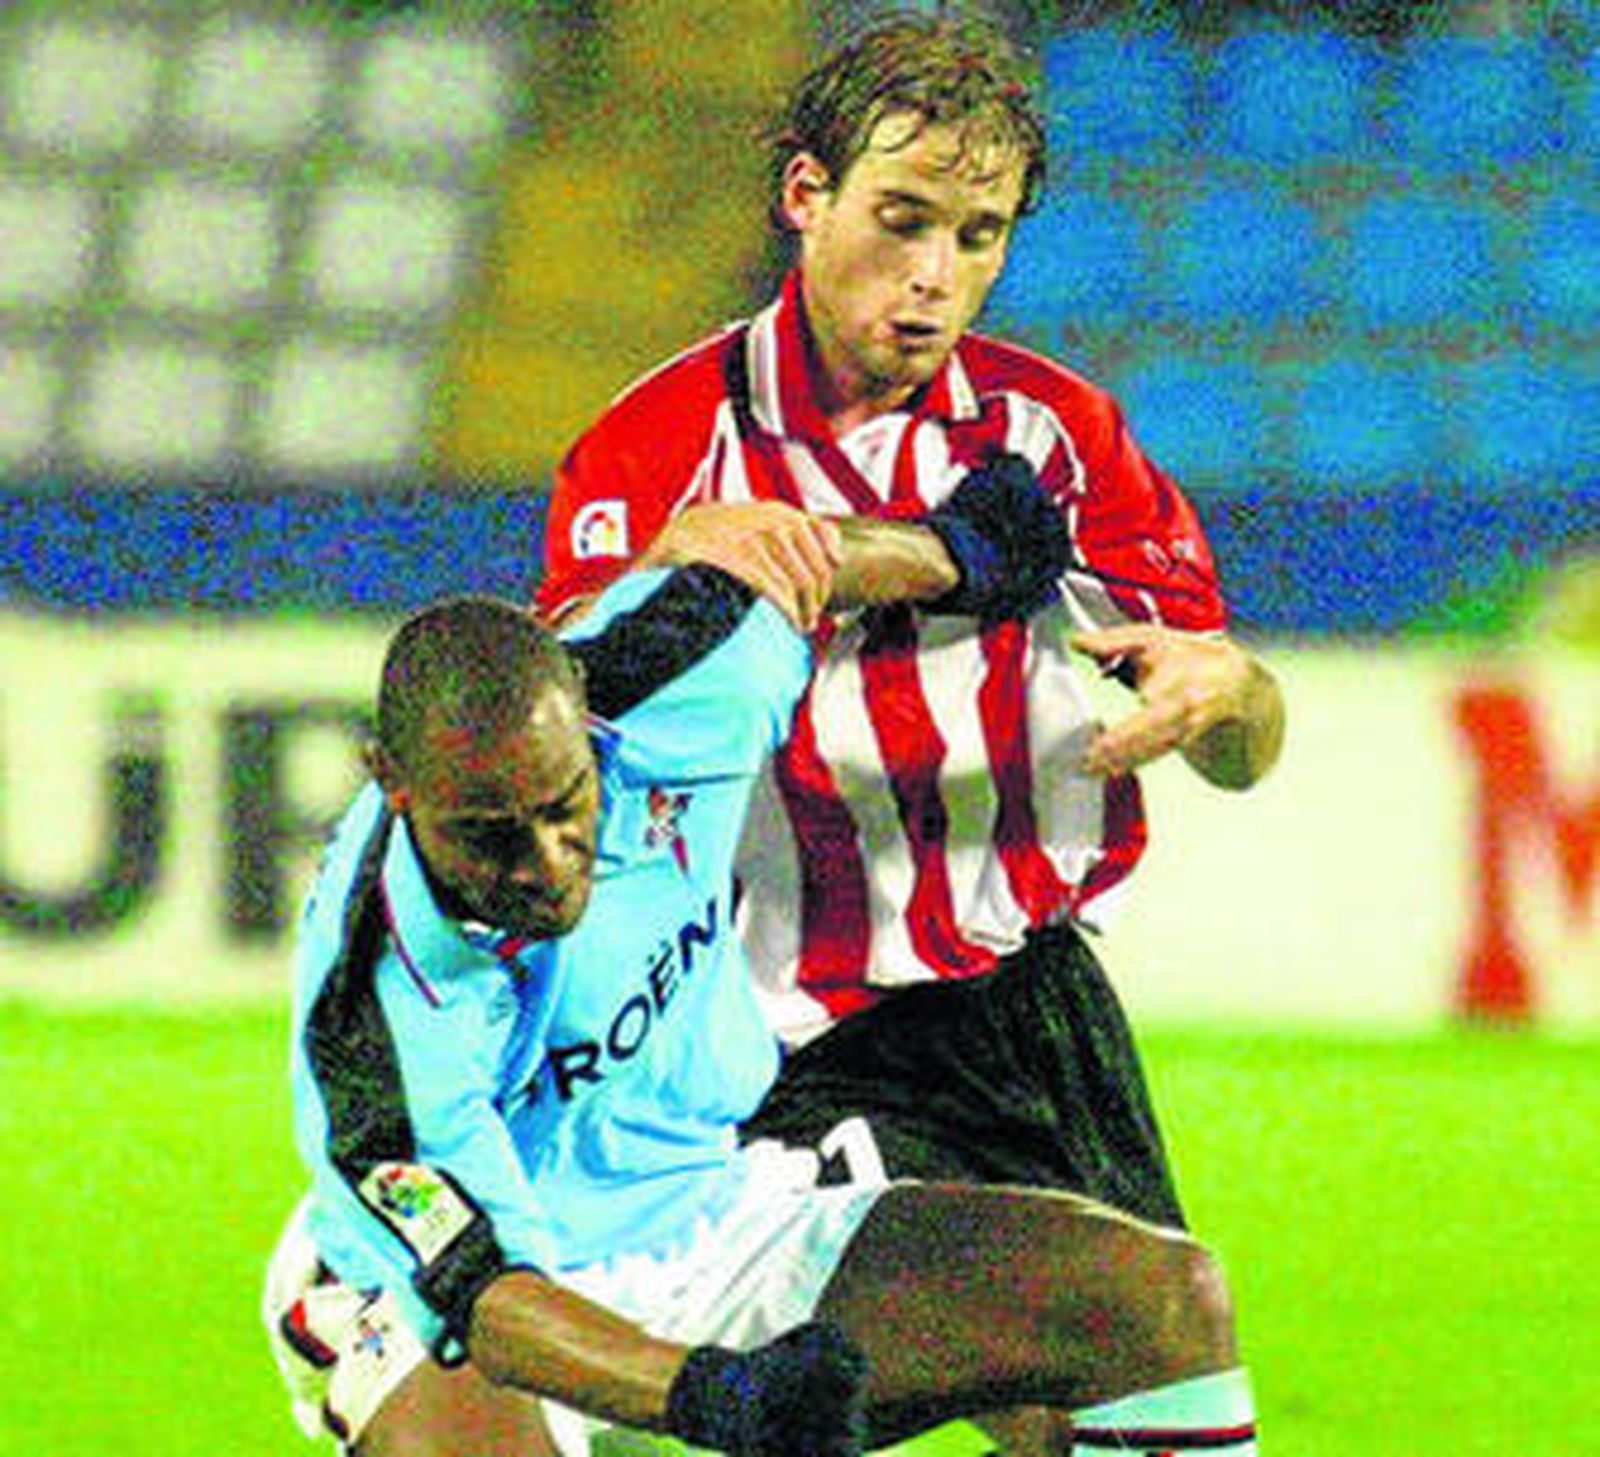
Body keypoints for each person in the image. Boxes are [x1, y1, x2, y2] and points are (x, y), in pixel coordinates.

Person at [262, 513, 1262, 1456]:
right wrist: (713, 1393)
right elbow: (478, 1288)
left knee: (1157, 1299)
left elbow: (791, 563)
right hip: (454, 1293)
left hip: (708, 1203)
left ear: (587, 720)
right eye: (487, 833)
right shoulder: (372, 1002)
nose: (541, 861)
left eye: (564, 805)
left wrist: (957, 549)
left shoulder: (673, 676)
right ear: (392, 783)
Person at [537, 11, 1285, 1230]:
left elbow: (1240, 743)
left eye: (975, 235)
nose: (935, 273)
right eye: (902, 220)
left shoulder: (1054, 433)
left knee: (1133, 1394)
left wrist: (1231, 692)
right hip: (789, 1019)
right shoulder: (661, 444)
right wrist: (677, 572)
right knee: (810, 1379)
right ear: (805, 195)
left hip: (1034, 1008)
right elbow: (555, 722)